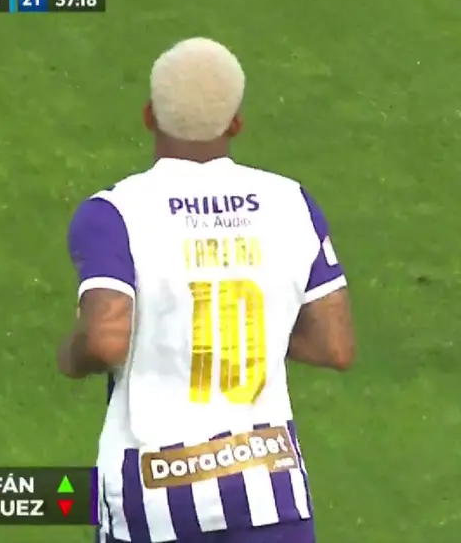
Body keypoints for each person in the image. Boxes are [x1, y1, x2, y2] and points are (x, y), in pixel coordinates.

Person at [58, 37, 356, 543]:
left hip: (152, 500)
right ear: (236, 122)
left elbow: (106, 338)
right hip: (269, 491)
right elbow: (335, 345)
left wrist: (70, 356)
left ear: (149, 115)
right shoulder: (291, 203)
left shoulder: (115, 213)